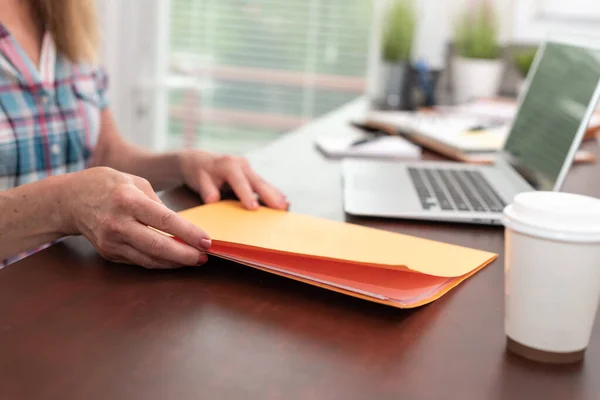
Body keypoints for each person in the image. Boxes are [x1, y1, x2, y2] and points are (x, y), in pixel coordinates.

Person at [0, 0, 287, 269]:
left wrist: (182, 165)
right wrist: (63, 204)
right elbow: (76, 193)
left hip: (67, 281)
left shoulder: (66, 12)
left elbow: (105, 153)